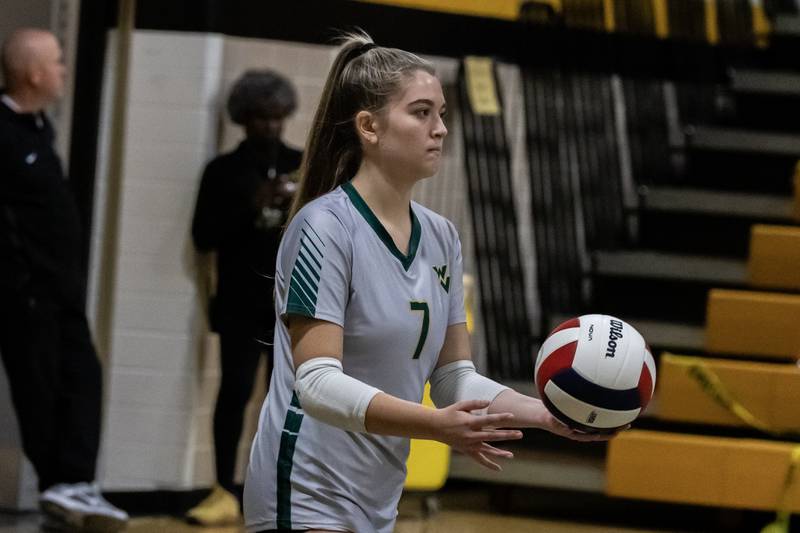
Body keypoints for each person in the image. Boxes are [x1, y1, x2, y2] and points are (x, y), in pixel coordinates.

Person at [242, 32, 611, 533]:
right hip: (304, 492)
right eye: (421, 113)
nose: (440, 129)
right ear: (369, 127)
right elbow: (316, 385)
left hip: (375, 499)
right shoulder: (324, 227)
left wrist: (544, 414)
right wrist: (438, 425)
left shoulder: (441, 235)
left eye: (441, 113)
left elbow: (453, 378)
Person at [0, 29, 128, 531]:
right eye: (57, 62)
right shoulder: (4, 133)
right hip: (26, 293)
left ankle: (74, 482)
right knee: (41, 384)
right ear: (33, 73)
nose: (63, 71)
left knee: (81, 378)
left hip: (62, 289)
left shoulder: (39, 129)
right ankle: (60, 481)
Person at [189, 70, 303, 526]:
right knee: (234, 392)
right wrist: (252, 204)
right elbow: (203, 236)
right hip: (239, 302)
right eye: (260, 118)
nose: (271, 128)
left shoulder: (302, 162)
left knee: (289, 398)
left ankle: (279, 486)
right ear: (243, 119)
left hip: (292, 303)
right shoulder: (223, 170)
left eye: (278, 118)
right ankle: (223, 487)